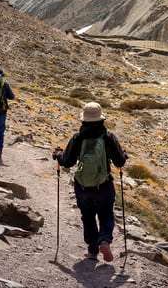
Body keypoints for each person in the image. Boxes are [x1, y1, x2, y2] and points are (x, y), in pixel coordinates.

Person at [53, 102, 127, 262]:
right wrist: (124, 155)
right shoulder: (108, 137)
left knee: (88, 216)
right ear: (101, 119)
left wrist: (58, 155)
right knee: (106, 215)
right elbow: (120, 162)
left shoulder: (78, 138)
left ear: (83, 120)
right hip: (104, 185)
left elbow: (67, 161)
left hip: (83, 186)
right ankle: (105, 240)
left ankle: (92, 251)